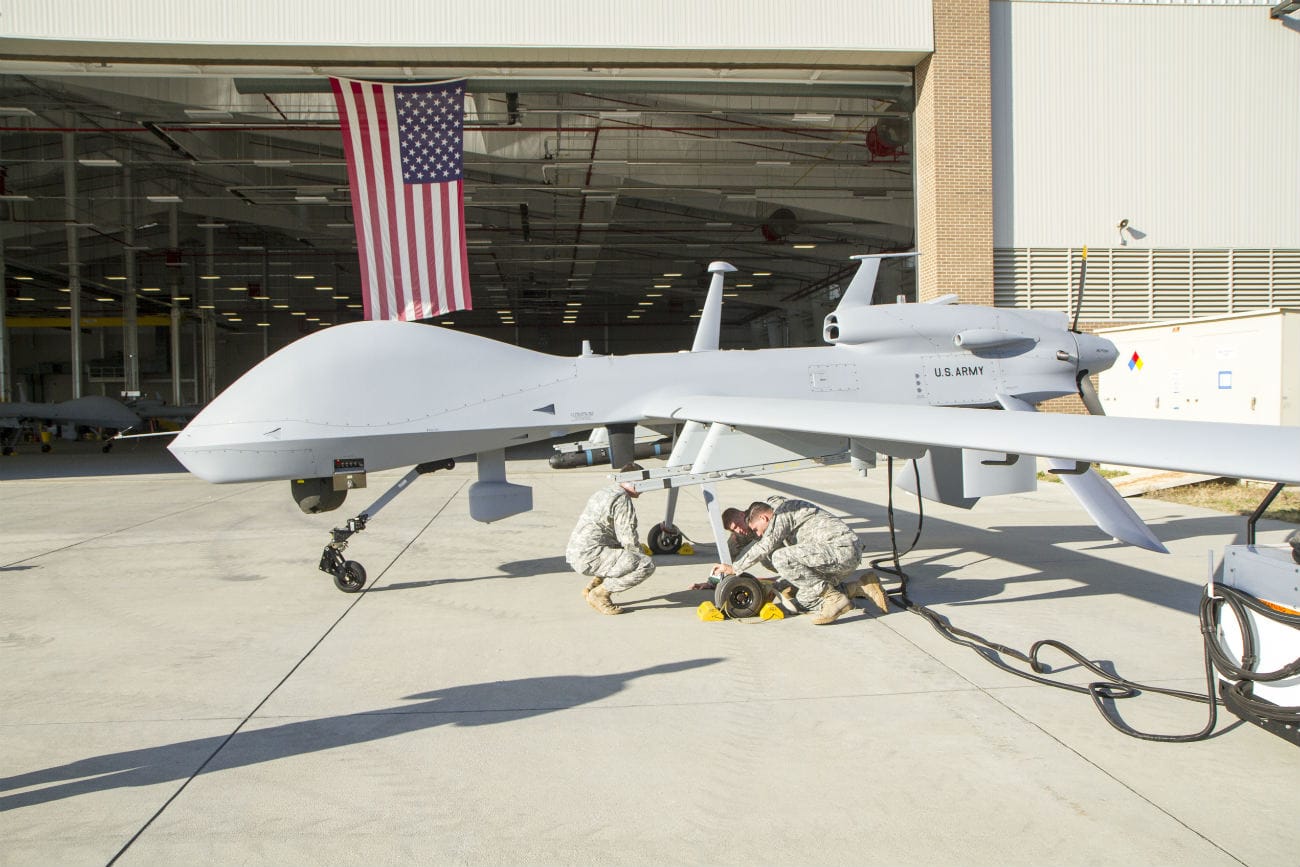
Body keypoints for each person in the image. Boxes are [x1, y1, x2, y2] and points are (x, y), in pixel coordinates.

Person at [712, 498, 861, 625]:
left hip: (841, 549)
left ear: (763, 518)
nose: (759, 533)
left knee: (780, 557)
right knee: (800, 600)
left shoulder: (782, 512)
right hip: (829, 557)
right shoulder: (761, 517)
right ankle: (859, 587)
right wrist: (716, 579)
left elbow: (765, 545)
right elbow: (736, 543)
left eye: (757, 529)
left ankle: (834, 598)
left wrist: (735, 568)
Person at [565, 463, 655, 615]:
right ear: (634, 481)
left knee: (619, 552)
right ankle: (600, 594)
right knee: (645, 565)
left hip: (578, 552)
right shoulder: (622, 499)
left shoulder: (605, 491)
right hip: (590, 556)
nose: (644, 490)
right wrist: (639, 555)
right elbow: (628, 538)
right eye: (643, 484)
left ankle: (593, 586)